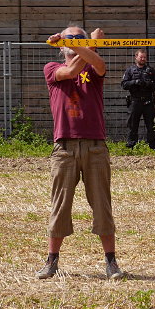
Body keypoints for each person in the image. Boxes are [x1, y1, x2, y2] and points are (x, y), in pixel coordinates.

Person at [37, 24, 124, 280]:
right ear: (61, 46)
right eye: (69, 38)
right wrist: (87, 43)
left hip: (96, 146)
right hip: (64, 148)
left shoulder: (95, 65)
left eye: (78, 38)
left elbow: (96, 64)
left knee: (102, 205)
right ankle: (52, 261)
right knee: (60, 206)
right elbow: (72, 69)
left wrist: (84, 46)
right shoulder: (52, 68)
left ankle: (111, 262)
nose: (73, 42)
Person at [121, 48, 155, 149]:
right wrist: (134, 82)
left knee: (151, 125)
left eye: (144, 57)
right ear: (136, 57)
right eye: (141, 57)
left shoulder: (151, 71)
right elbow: (124, 84)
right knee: (132, 125)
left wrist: (148, 84)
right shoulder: (130, 70)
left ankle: (153, 146)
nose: (143, 59)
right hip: (135, 101)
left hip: (148, 101)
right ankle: (131, 145)